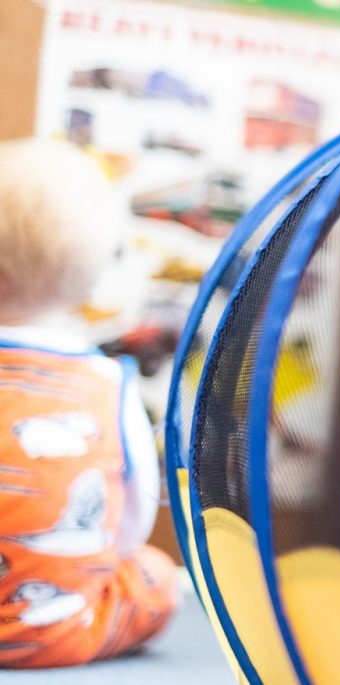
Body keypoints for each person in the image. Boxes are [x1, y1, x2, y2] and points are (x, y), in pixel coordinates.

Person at [0, 138, 177, 667]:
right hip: (59, 630)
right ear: (91, 281)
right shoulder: (107, 381)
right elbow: (133, 519)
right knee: (158, 575)